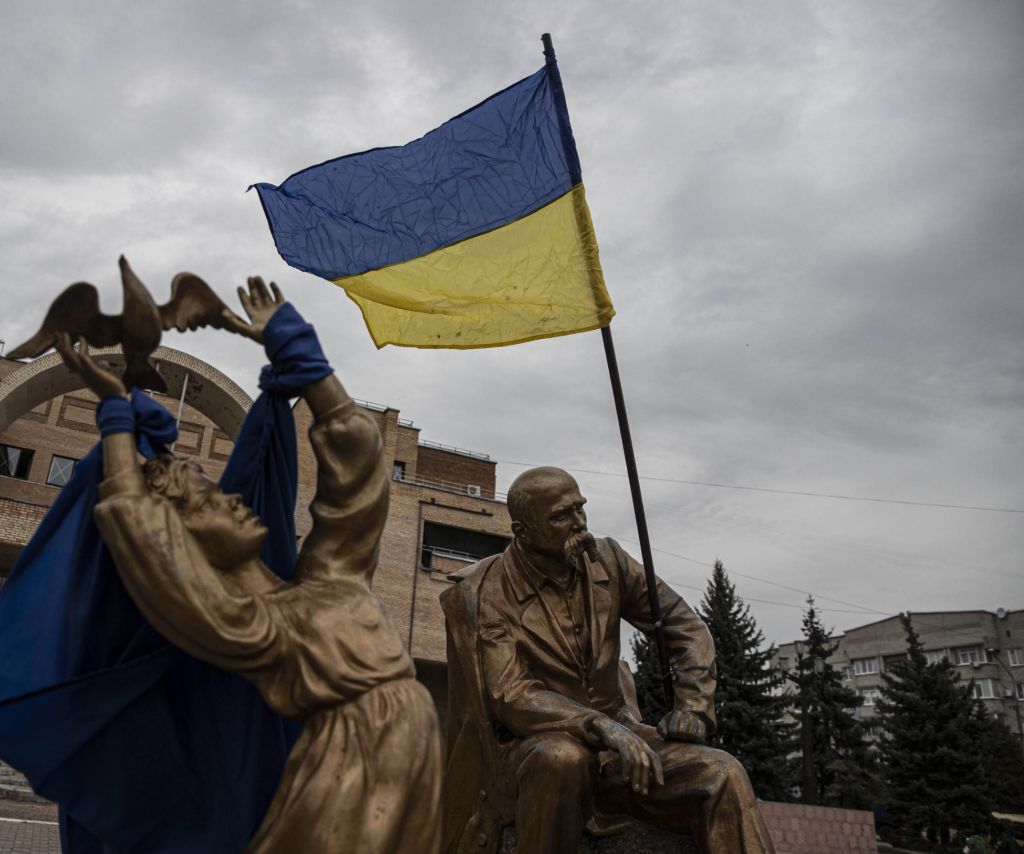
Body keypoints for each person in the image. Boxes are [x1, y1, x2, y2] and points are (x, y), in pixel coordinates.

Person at [57, 279, 441, 854]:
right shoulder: (244, 623)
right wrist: (115, 414)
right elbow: (137, 529)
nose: (231, 497)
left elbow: (362, 474)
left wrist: (300, 353)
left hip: (413, 771)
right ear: (186, 542)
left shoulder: (330, 577)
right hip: (342, 789)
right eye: (209, 501)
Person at [441, 465, 774, 854]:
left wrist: (694, 707)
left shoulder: (609, 560)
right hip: (529, 749)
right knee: (562, 758)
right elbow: (511, 695)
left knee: (723, 774)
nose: (579, 524)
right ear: (523, 532)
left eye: (580, 509)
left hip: (620, 741)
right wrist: (599, 726)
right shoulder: (487, 592)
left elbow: (686, 628)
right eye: (561, 516)